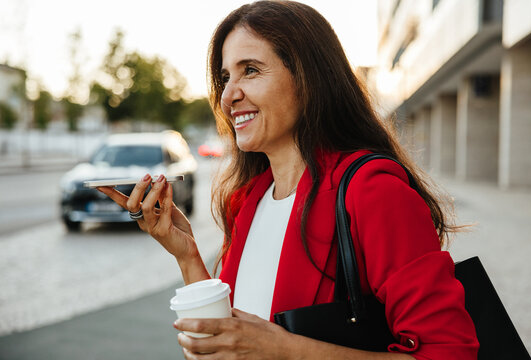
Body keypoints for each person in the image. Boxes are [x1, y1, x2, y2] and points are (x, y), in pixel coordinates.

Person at [98, 1, 479, 359]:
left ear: (309, 78)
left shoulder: (373, 191)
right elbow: (235, 338)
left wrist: (289, 351)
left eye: (251, 70)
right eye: (225, 77)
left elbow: (450, 352)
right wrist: (186, 255)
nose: (229, 95)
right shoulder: (249, 200)